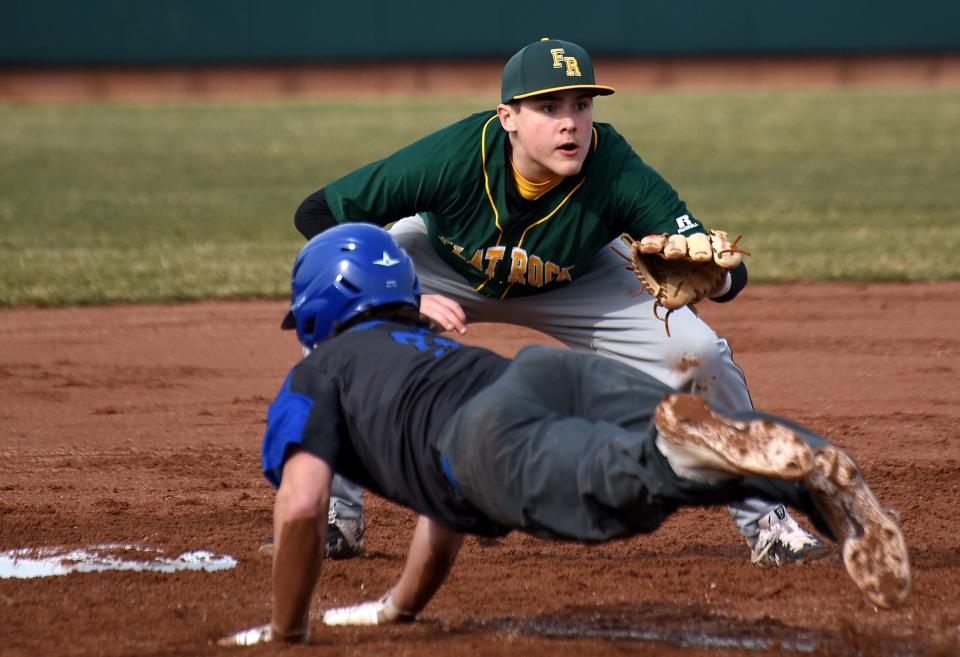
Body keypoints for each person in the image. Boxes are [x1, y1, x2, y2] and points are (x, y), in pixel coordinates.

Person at [220, 224, 909, 646]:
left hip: (487, 436)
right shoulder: (418, 344)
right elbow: (442, 514)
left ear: (316, 306)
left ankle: (673, 453)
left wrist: (289, 631)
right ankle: (814, 482)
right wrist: (400, 605)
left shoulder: (318, 375)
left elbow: (304, 505)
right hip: (531, 375)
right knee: (720, 436)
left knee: (620, 484)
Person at [291, 37, 822, 564]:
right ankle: (333, 519)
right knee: (344, 331)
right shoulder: (455, 157)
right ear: (508, 117)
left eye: (581, 105)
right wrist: (402, 295)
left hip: (578, 279)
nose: (570, 122)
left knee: (699, 354)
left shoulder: (614, 168)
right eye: (548, 107)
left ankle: (769, 526)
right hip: (443, 265)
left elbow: (730, 272)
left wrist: (716, 279)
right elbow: (317, 213)